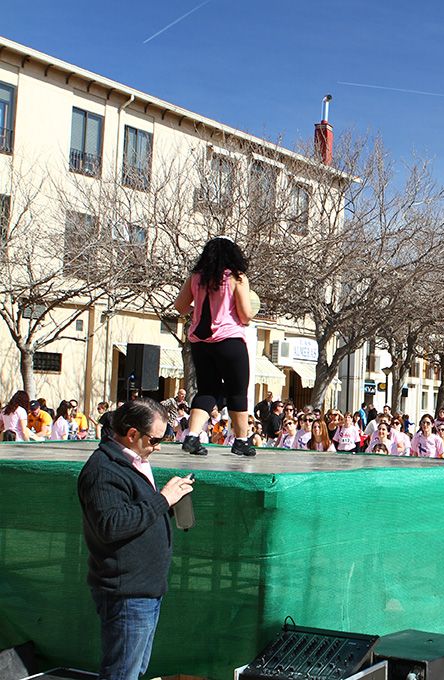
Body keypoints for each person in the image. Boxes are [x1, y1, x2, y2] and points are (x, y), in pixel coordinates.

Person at [77, 398, 194, 680]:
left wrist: (168, 501)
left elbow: (135, 515)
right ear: (132, 434)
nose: (159, 446)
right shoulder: (103, 470)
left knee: (133, 669)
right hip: (126, 591)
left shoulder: (132, 461)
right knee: (121, 673)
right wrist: (163, 499)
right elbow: (111, 525)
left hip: (144, 588)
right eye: (154, 440)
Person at [173, 236, 255, 457]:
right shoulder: (237, 278)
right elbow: (246, 316)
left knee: (207, 390)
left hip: (200, 343)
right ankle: (241, 441)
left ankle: (191, 435)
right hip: (229, 340)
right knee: (237, 391)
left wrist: (196, 311)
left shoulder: (196, 277)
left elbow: (180, 306)